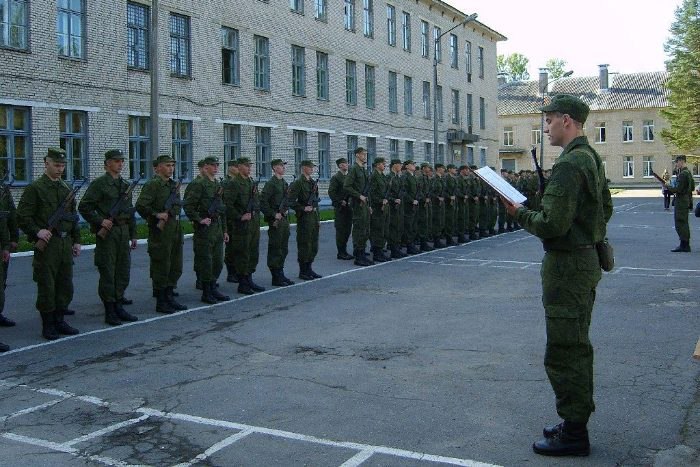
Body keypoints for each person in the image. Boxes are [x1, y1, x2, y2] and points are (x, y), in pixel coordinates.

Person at [504, 95, 612, 457]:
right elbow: (606, 207)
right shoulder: (590, 156)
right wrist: (586, 231)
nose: (546, 127)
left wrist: (519, 213)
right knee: (575, 343)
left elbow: (551, 224)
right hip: (584, 261)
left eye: (549, 120)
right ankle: (573, 421)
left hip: (567, 267)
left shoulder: (569, 164)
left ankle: (575, 432)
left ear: (567, 120)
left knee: (565, 350)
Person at [17, 147, 81, 340]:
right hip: (48, 244)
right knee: (47, 285)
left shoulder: (66, 188)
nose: (60, 169)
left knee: (65, 284)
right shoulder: (35, 188)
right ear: (46, 163)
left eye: (62, 165)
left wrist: (76, 240)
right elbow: (22, 216)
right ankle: (48, 325)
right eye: (56, 165)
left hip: (64, 242)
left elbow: (73, 217)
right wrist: (37, 231)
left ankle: (60, 320)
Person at [78, 149, 139, 326]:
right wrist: (100, 221)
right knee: (108, 271)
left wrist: (133, 234)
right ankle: (110, 309)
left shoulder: (125, 184)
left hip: (123, 230)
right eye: (116, 161)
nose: (120, 164)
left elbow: (129, 211)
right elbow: (84, 207)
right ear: (107, 163)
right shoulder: (99, 184)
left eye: (122, 161)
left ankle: (119, 304)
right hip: (108, 232)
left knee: (123, 270)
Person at [135, 155, 188, 314]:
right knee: (161, 265)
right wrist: (156, 214)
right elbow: (141, 206)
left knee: (175, 265)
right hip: (161, 232)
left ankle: (169, 295)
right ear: (157, 168)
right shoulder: (153, 185)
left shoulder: (173, 185)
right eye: (167, 165)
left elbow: (177, 206)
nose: (171, 168)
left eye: (172, 165)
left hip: (174, 229)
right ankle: (161, 300)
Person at [183, 156, 231, 303]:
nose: (216, 168)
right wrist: (199, 219)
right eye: (212, 165)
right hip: (205, 229)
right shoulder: (199, 184)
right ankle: (206, 291)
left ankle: (213, 287)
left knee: (218, 261)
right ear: (206, 167)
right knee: (206, 261)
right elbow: (188, 206)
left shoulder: (217, 184)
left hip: (217, 227)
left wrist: (225, 230)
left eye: (217, 165)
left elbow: (221, 209)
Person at [224, 157, 265, 295]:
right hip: (241, 226)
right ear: (239, 167)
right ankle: (242, 283)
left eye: (250, 166)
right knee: (242, 253)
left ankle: (249, 279)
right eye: (247, 166)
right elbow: (227, 205)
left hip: (253, 224)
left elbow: (257, 201)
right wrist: (239, 216)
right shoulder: (234, 183)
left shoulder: (250, 182)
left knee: (253, 252)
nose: (249, 168)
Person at [260, 159, 294, 286]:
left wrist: (285, 209)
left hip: (283, 220)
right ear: (274, 168)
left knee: (283, 248)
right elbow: (263, 202)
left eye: (284, 166)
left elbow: (287, 200)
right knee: (276, 248)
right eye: (281, 166)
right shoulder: (271, 184)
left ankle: (280, 272)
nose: (283, 168)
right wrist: (273, 214)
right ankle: (275, 276)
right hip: (275, 221)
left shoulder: (284, 183)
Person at [289, 160, 322, 280]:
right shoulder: (298, 183)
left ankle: (309, 268)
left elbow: (316, 202)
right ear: (303, 168)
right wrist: (303, 208)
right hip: (304, 218)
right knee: (305, 244)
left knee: (313, 244)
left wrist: (318, 218)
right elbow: (290, 201)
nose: (312, 169)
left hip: (313, 217)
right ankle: (303, 271)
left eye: (312, 167)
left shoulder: (313, 183)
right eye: (309, 167)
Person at [343, 147, 373, 266]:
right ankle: (358, 256)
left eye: (365, 154)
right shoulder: (354, 169)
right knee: (359, 229)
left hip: (364, 204)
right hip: (357, 204)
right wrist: (358, 196)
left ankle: (362, 252)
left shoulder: (363, 170)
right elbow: (347, 186)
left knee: (365, 229)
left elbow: (367, 190)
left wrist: (369, 205)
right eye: (363, 154)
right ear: (357, 155)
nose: (365, 156)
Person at [665, 155, 695, 252]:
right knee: (684, 222)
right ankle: (685, 244)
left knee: (680, 223)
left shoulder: (682, 174)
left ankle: (684, 245)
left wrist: (668, 186)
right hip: (686, 199)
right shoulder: (688, 173)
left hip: (681, 201)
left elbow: (678, 189)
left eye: (677, 162)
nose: (676, 164)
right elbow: (692, 187)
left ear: (681, 161)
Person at [0, 174, 18, 329]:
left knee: (2, 280)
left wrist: (14, 238)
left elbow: (11, 214)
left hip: (2, 244)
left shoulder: (3, 189)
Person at [328, 158, 354, 260]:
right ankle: (341, 252)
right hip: (341, 208)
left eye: (347, 163)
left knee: (347, 230)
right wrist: (339, 201)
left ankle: (344, 250)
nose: (346, 165)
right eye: (344, 164)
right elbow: (331, 192)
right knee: (341, 230)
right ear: (340, 166)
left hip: (348, 206)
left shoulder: (348, 177)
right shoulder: (336, 178)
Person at [369, 157, 391, 262]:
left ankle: (380, 249)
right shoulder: (374, 176)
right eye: (383, 163)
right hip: (377, 207)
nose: (384, 165)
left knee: (384, 229)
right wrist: (380, 201)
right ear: (377, 165)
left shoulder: (382, 176)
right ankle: (377, 253)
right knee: (378, 230)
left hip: (384, 205)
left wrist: (385, 199)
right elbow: (371, 193)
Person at [223, 159, 241, 283]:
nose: (238, 169)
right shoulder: (226, 183)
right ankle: (231, 273)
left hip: (238, 219)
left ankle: (237, 271)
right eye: (236, 167)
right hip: (230, 220)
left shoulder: (237, 182)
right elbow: (226, 204)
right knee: (231, 248)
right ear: (230, 168)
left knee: (238, 247)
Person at [387, 159, 406, 258]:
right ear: (394, 165)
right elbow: (386, 193)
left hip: (399, 206)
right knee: (393, 228)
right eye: (399, 164)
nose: (401, 166)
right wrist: (393, 199)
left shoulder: (398, 177)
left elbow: (402, 190)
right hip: (392, 206)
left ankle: (397, 248)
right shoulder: (389, 177)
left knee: (399, 226)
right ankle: (394, 249)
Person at [401, 160, 420, 254]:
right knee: (408, 225)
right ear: (407, 166)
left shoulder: (414, 177)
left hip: (415, 204)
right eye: (412, 164)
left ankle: (411, 243)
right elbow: (404, 191)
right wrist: (412, 200)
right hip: (408, 205)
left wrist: (417, 199)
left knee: (414, 225)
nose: (414, 166)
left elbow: (418, 190)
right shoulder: (405, 177)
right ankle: (409, 245)